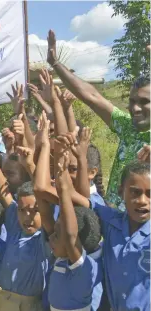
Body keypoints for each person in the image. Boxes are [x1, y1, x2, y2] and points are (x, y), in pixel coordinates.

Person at [47, 29, 150, 210]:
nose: (135, 108)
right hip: (114, 223)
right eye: (132, 101)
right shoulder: (127, 126)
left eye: (144, 102)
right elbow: (91, 96)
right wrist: (55, 63)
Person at [47, 147, 102, 311]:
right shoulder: (62, 259)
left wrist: (63, 188)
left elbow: (70, 235)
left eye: (56, 236)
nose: (50, 238)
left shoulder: (83, 270)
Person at [94, 161, 150, 311]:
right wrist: (79, 157)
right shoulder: (112, 222)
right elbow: (76, 197)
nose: (143, 201)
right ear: (121, 192)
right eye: (135, 192)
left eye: (150, 194)